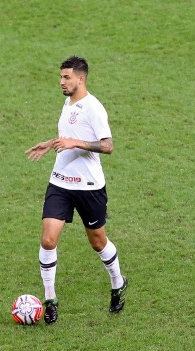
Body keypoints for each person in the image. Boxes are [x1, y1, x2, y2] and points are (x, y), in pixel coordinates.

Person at [25, 55, 127, 324]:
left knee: (97, 242)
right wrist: (51, 143)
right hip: (60, 182)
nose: (61, 82)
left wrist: (76, 143)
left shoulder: (94, 108)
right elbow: (67, 135)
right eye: (61, 77)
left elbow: (107, 146)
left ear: (80, 79)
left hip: (89, 187)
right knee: (48, 240)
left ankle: (118, 282)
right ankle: (50, 300)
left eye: (66, 77)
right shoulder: (68, 102)